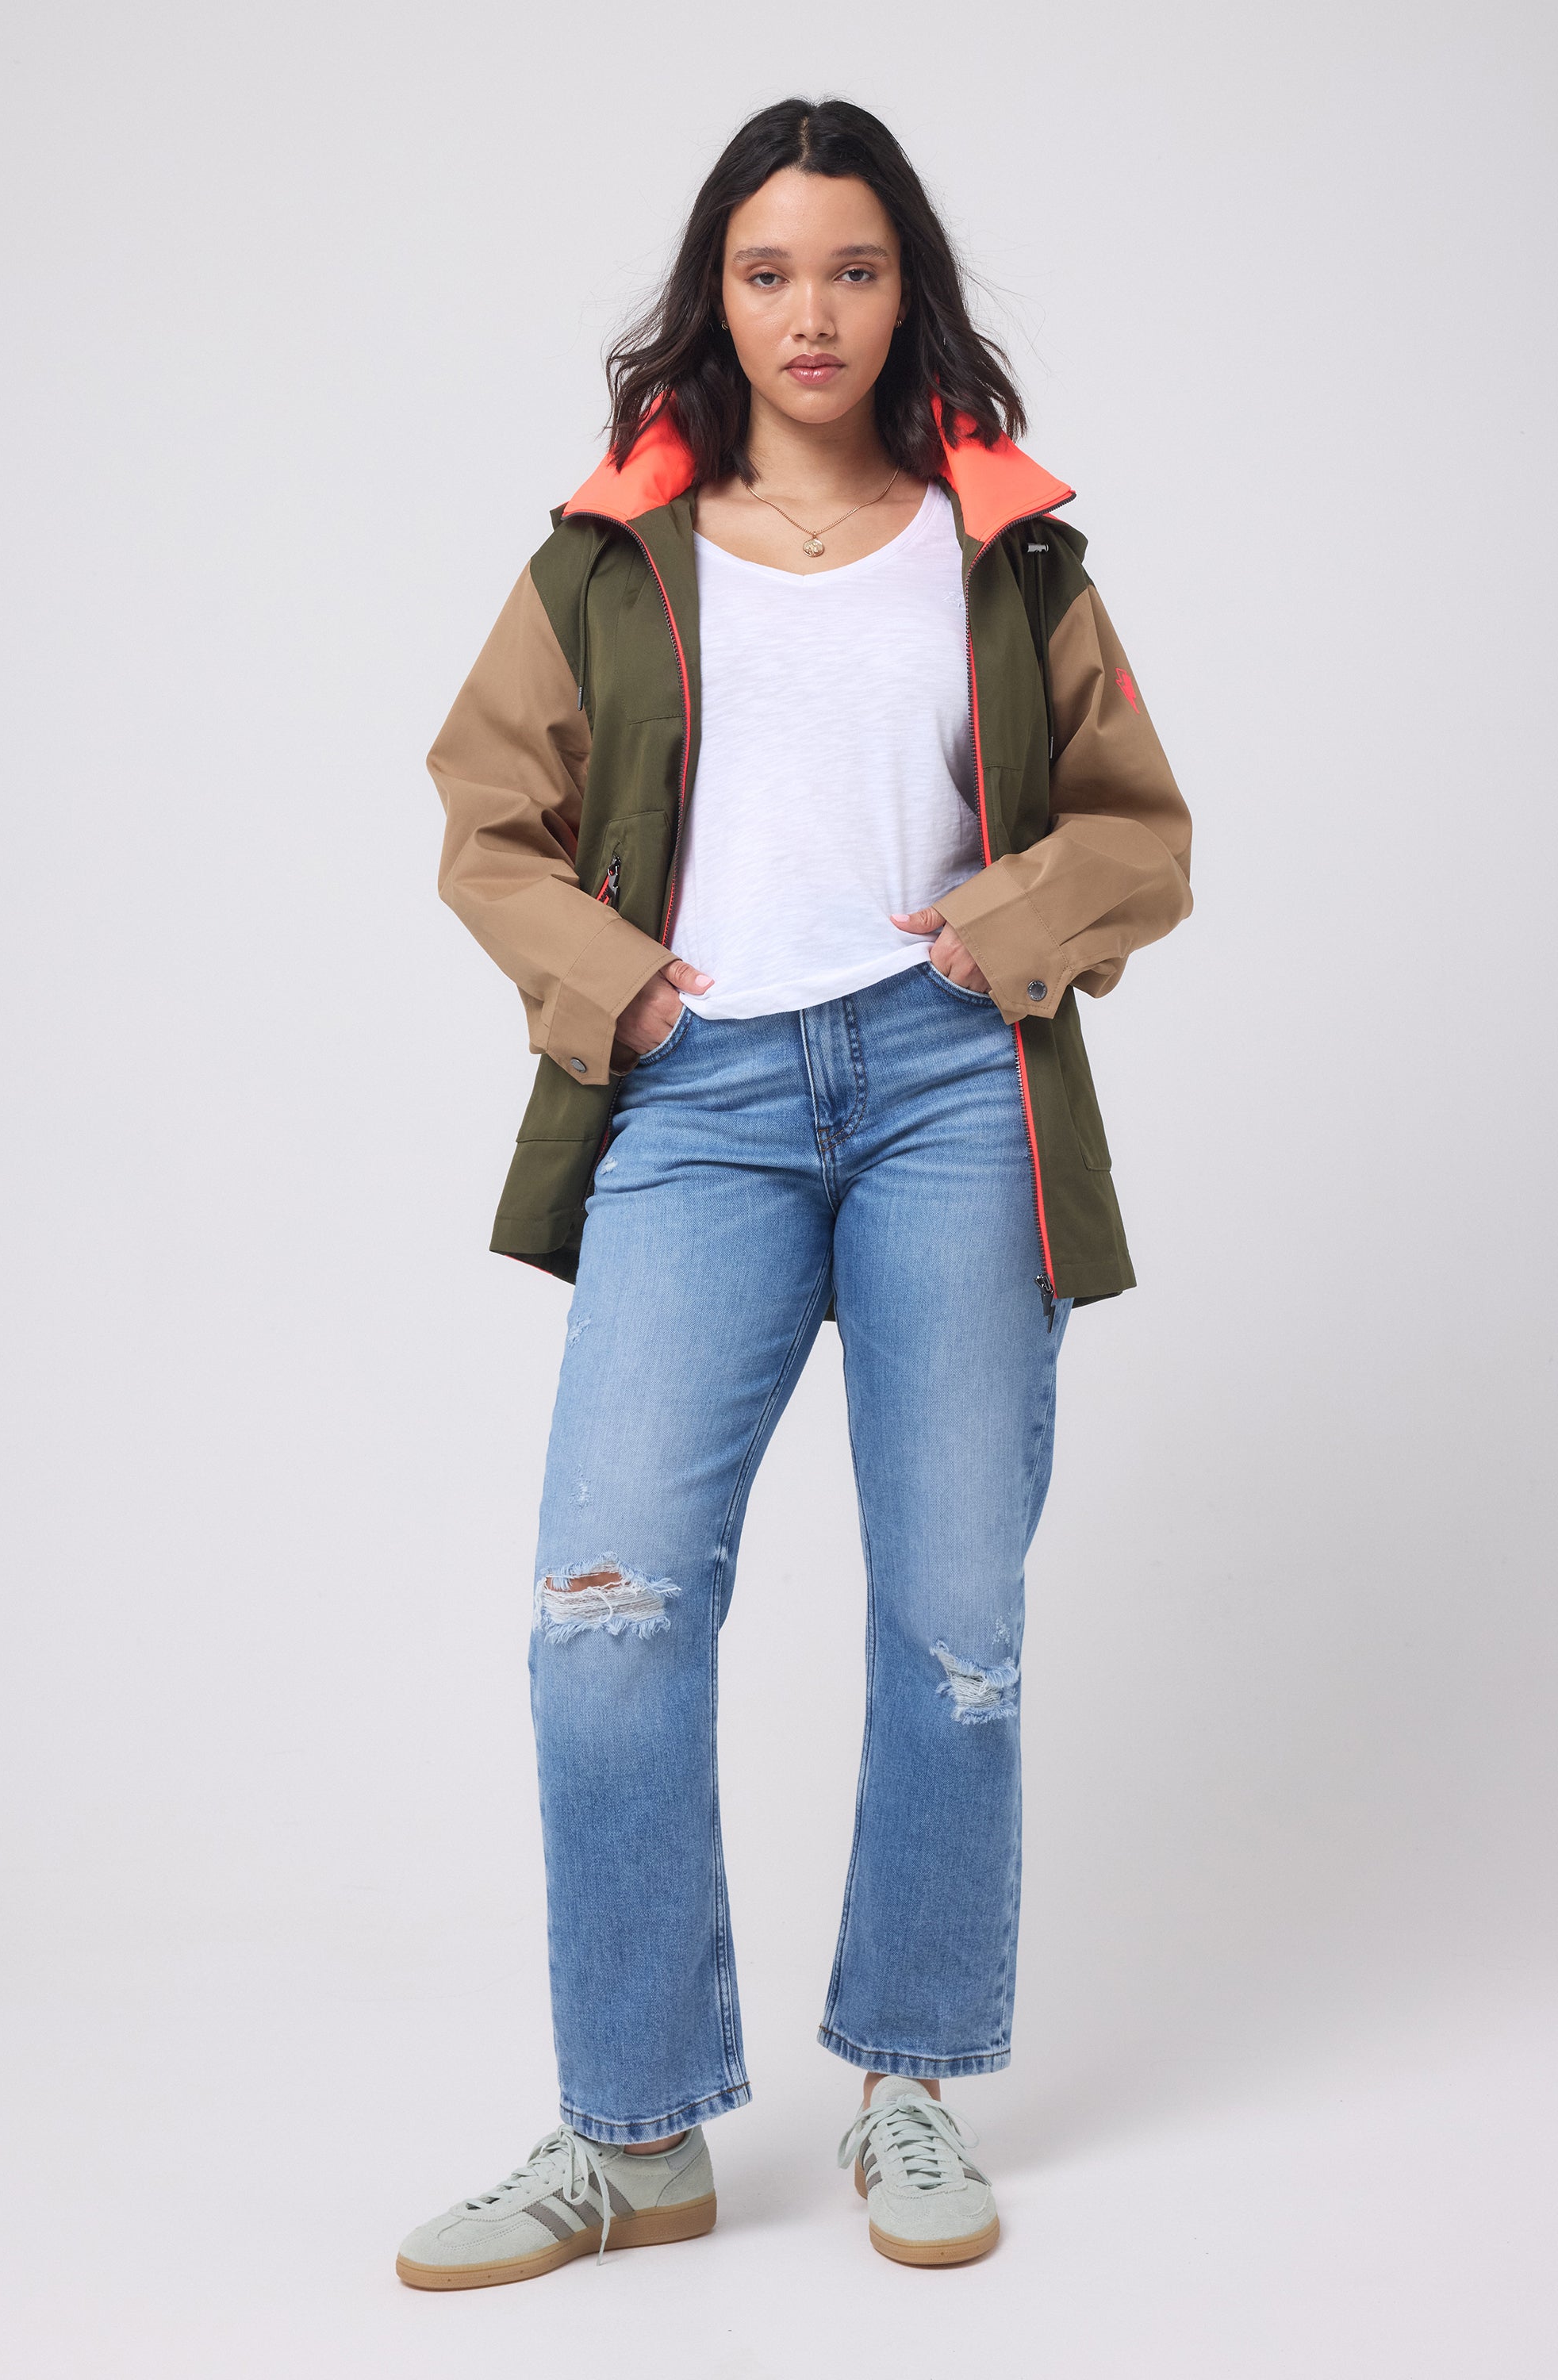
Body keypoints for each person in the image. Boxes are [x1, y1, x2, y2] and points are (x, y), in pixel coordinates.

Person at [397, 95, 1191, 2287]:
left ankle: (910, 2080)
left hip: (951, 1090)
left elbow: (1140, 830)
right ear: (717, 296)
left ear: (903, 287)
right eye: (768, 272)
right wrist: (620, 986)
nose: (811, 311)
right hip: (703, 1100)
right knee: (608, 1618)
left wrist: (1010, 924)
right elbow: (484, 819)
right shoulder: (609, 555)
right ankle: (632, 2132)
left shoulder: (1005, 545)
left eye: (851, 268)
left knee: (953, 1630)